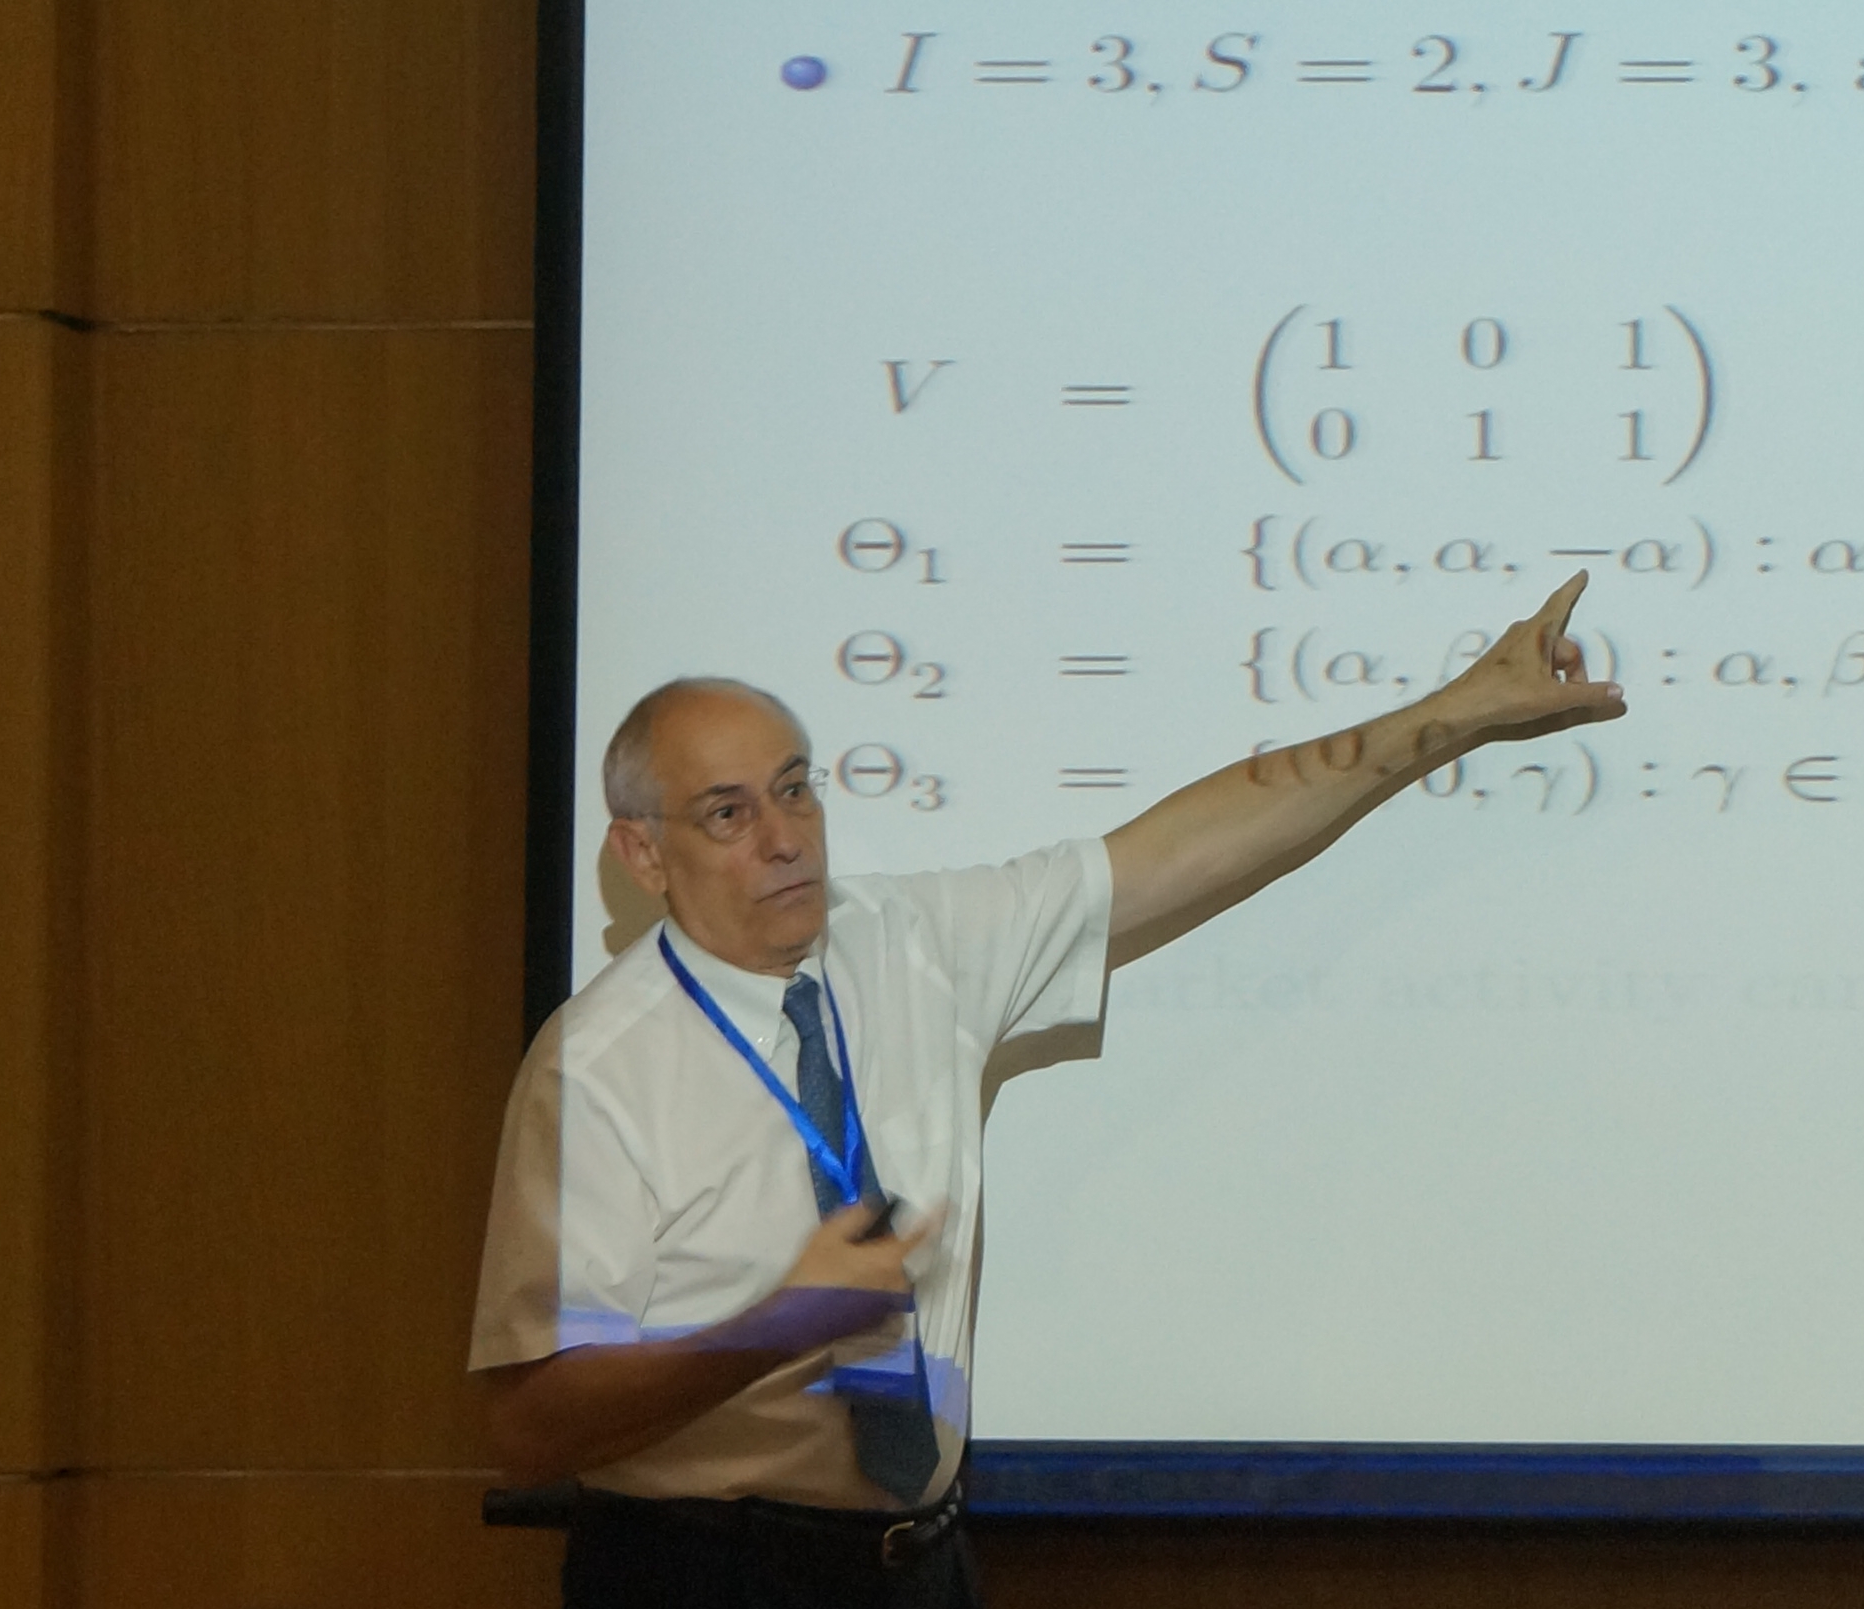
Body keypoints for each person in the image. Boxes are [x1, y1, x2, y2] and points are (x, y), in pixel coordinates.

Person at [469, 574, 1624, 1608]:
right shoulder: (601, 1064)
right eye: (730, 813)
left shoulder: (913, 944)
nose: (787, 839)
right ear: (642, 853)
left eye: (796, 790)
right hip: (702, 1572)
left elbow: (1191, 843)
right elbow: (529, 1425)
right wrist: (778, 1326)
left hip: (920, 1562)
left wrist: (1460, 711)